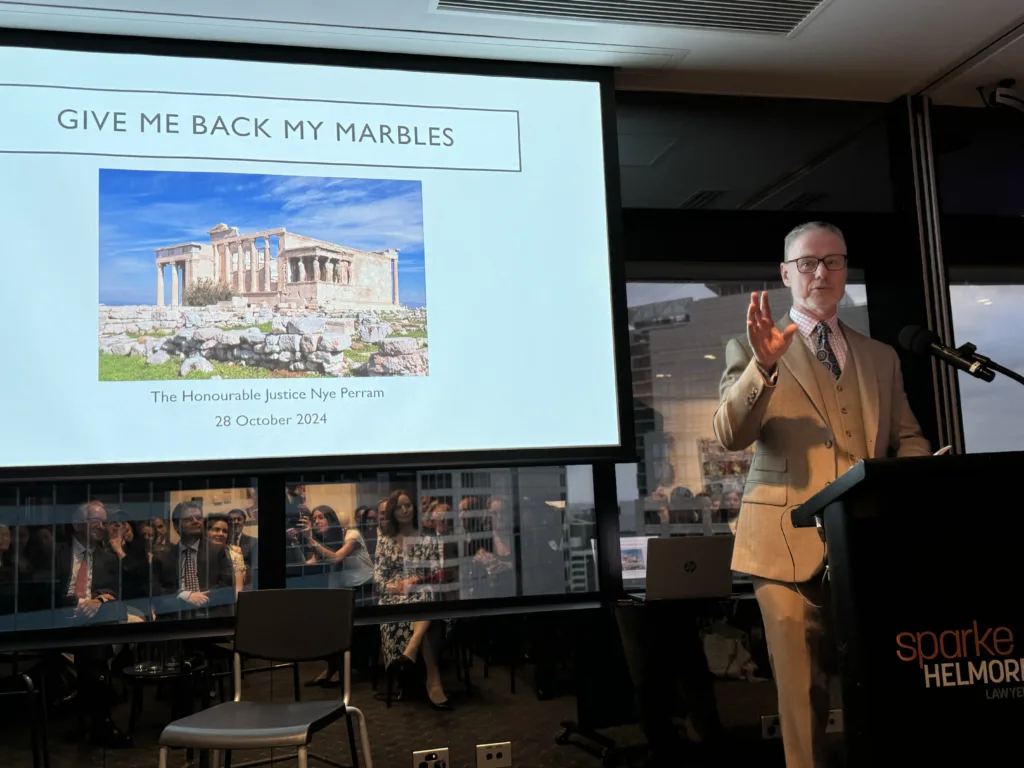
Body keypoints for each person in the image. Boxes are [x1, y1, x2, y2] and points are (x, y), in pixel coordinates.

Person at [713, 221, 930, 768]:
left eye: (833, 261)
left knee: (877, 689)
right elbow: (730, 435)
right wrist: (764, 365)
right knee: (803, 701)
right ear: (787, 274)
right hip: (784, 551)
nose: (821, 272)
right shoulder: (750, 348)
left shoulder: (880, 357)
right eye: (807, 263)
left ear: (846, 271)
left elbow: (906, 440)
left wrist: (919, 474)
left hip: (865, 549)